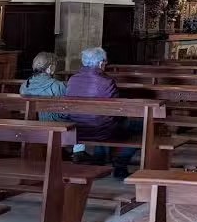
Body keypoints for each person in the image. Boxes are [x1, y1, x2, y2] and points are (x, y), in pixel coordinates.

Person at [66, 47, 140, 178]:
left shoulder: (72, 80)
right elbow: (117, 109)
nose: (105, 65)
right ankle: (120, 164)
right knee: (142, 128)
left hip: (76, 128)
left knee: (103, 120)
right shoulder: (106, 82)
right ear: (100, 63)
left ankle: (100, 157)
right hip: (99, 130)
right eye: (105, 62)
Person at [20, 52, 67, 121]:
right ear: (50, 67)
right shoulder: (57, 86)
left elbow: (22, 110)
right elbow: (64, 110)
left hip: (29, 122)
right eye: (55, 65)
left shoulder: (25, 85)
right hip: (51, 123)